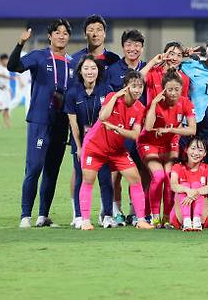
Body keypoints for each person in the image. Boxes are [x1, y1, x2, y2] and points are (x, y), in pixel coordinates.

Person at [8, 20, 76, 228]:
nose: (62, 36)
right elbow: (14, 66)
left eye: (65, 33)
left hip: (61, 122)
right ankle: (25, 215)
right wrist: (20, 44)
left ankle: (42, 216)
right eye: (57, 32)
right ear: (50, 36)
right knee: (35, 167)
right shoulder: (39, 56)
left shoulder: (72, 63)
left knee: (52, 170)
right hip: (40, 119)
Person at [78, 70, 153, 230]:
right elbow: (103, 116)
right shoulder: (113, 97)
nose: (138, 90)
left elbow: (134, 134)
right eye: (134, 86)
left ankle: (140, 220)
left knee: (135, 178)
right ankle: (85, 220)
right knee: (88, 180)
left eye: (140, 87)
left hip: (117, 150)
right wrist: (116, 97)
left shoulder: (140, 108)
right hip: (95, 147)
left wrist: (117, 129)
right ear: (125, 87)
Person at [137, 69, 197, 228]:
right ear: (163, 89)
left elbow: (192, 130)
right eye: (169, 89)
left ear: (181, 89)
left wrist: (171, 130)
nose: (173, 93)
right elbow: (148, 127)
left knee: (171, 177)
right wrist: (155, 103)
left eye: (177, 89)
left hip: (170, 142)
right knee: (158, 176)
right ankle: (155, 217)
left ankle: (167, 218)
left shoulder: (185, 102)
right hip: (149, 143)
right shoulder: (155, 103)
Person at [64, 55, 114, 229]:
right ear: (80, 71)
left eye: (93, 68)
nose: (90, 72)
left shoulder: (107, 90)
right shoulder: (72, 93)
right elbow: (73, 125)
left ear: (98, 71)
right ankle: (78, 215)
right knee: (80, 177)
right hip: (82, 144)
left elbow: (111, 120)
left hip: (102, 144)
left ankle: (107, 215)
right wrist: (78, 147)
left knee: (105, 179)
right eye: (86, 68)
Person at [104, 29, 147, 225]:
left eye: (137, 45)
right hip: (117, 131)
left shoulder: (147, 68)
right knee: (116, 174)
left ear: (142, 48)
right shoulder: (113, 70)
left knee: (140, 172)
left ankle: (134, 211)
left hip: (141, 131)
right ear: (123, 47)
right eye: (129, 44)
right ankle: (116, 210)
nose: (133, 48)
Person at [169, 137, 208, 231]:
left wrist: (195, 192)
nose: (196, 153)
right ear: (186, 150)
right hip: (179, 215)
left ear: (205, 153)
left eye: (200, 150)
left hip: (203, 216)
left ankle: (196, 220)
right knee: (184, 186)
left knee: (197, 185)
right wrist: (187, 190)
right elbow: (173, 185)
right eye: (193, 148)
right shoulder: (177, 167)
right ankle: (186, 220)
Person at [69, 14, 121, 81]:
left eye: (99, 30)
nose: (95, 34)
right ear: (85, 35)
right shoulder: (75, 60)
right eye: (91, 30)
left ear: (104, 34)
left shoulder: (114, 60)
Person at [0, 53, 13, 128]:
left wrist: (10, 90)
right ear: (1, 61)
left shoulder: (7, 68)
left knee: (6, 109)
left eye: (7, 59)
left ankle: (8, 126)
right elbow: (0, 75)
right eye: (5, 60)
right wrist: (10, 78)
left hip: (5, 92)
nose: (6, 61)